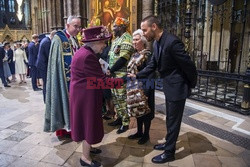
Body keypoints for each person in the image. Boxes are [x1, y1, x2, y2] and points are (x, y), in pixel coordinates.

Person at [128, 15, 197, 164]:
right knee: (170, 120)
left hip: (177, 88)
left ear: (154, 27)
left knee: (173, 121)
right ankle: (168, 142)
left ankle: (169, 153)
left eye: (145, 30)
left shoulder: (172, 42)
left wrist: (190, 85)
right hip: (170, 86)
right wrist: (137, 75)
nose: (143, 33)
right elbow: (152, 65)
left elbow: (189, 66)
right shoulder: (157, 43)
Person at [70, 25, 118, 167]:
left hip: (83, 94)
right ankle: (85, 159)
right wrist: (123, 81)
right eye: (103, 42)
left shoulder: (84, 52)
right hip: (86, 97)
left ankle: (88, 148)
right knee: (88, 125)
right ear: (96, 42)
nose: (104, 46)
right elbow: (101, 82)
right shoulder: (88, 56)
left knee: (87, 124)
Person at [44, 15, 81, 139]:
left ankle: (72, 128)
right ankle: (64, 130)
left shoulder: (74, 39)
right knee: (64, 101)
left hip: (75, 79)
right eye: (75, 26)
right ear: (67, 25)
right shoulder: (58, 39)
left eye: (79, 27)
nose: (78, 29)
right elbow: (56, 63)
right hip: (64, 79)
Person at [127, 29, 155, 145]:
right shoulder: (135, 54)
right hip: (134, 87)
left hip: (145, 88)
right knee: (137, 110)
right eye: (133, 39)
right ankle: (139, 131)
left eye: (137, 39)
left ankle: (146, 134)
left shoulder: (147, 54)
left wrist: (147, 92)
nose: (134, 42)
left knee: (146, 112)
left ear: (142, 41)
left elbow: (150, 73)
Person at [107, 17, 134, 134]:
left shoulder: (127, 39)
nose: (113, 28)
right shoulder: (116, 39)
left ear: (122, 27)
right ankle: (119, 118)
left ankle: (125, 123)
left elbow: (123, 59)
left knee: (122, 99)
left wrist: (110, 69)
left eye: (115, 26)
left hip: (121, 75)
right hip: (113, 75)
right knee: (116, 99)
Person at [36, 30, 57, 103]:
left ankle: (47, 99)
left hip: (42, 64)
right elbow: (49, 56)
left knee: (46, 82)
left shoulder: (45, 39)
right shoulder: (47, 42)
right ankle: (46, 100)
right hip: (43, 65)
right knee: (46, 82)